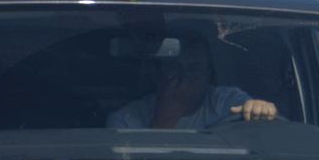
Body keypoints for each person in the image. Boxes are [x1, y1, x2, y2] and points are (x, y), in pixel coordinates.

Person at [107, 38, 276, 129]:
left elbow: (252, 110)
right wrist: (167, 117)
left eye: (195, 68)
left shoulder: (224, 101)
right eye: (174, 67)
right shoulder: (126, 121)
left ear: (208, 75)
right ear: (156, 73)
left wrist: (260, 109)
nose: (185, 76)